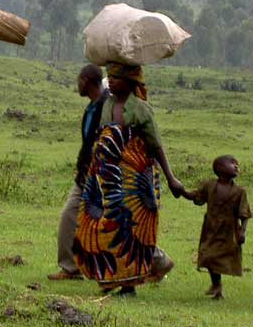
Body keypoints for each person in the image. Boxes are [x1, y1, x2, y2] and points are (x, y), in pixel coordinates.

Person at [73, 62, 184, 297]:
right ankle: (111, 278)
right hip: (107, 178)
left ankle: (129, 284)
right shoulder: (108, 105)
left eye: (117, 77)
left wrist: (171, 178)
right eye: (110, 77)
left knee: (130, 231)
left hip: (134, 181)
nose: (111, 81)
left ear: (130, 82)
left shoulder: (141, 109)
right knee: (104, 225)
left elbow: (155, 145)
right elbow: (102, 137)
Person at [47, 64, 108, 280]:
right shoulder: (92, 107)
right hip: (85, 175)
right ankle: (71, 267)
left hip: (102, 176)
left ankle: (153, 259)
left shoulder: (106, 107)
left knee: (111, 223)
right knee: (69, 216)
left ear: (89, 81)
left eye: (79, 80)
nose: (77, 84)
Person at [183, 155, 252, 300]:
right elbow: (197, 197)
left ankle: (217, 287)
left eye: (237, 164)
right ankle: (216, 284)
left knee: (223, 256)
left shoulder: (240, 192)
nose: (236, 166)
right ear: (220, 168)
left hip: (229, 230)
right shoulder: (209, 185)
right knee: (208, 254)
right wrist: (182, 191)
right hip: (211, 228)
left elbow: (244, 213)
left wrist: (243, 231)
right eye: (232, 163)